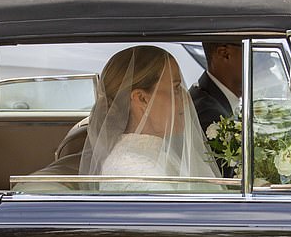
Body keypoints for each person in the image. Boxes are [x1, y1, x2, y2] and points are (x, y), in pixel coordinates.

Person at [79, 45, 219, 191]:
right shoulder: (132, 170)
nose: (186, 100)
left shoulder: (160, 154)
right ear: (142, 99)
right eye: (176, 88)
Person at [189, 43, 243, 132]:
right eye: (254, 50)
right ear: (224, 54)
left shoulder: (204, 95)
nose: (270, 63)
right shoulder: (209, 115)